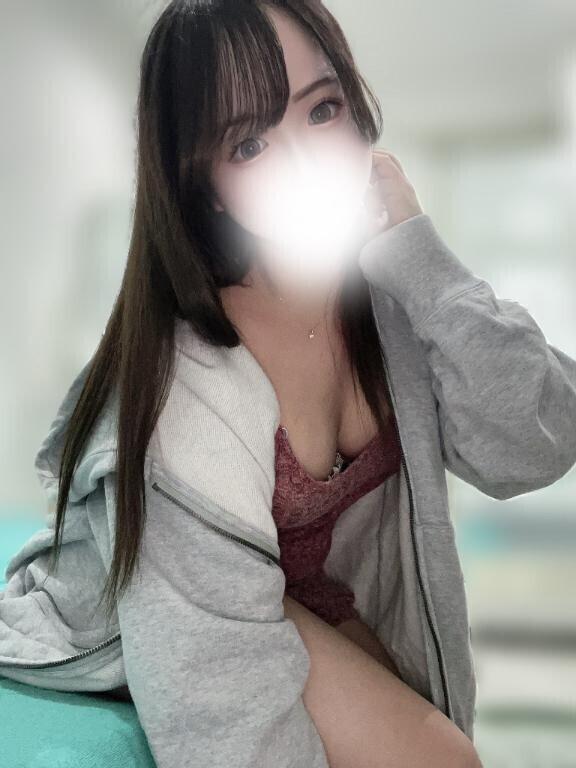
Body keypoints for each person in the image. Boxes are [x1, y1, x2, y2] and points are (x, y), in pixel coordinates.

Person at [2, 2, 576, 767]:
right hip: (165, 598)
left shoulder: (393, 296)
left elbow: (534, 446)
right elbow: (225, 722)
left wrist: (423, 259)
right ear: (206, 185)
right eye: (249, 143)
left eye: (323, 109)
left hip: (304, 598)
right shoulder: (185, 391)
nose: (305, 163)